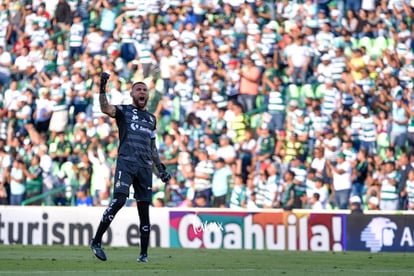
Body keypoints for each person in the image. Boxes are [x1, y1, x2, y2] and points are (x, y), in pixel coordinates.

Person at [90, 72, 171, 262]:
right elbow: (105, 108)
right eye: (138, 89)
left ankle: (143, 255)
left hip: (144, 167)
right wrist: (102, 86)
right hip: (126, 162)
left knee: (144, 211)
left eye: (144, 90)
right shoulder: (124, 111)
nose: (142, 92)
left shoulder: (151, 119)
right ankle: (96, 241)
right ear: (132, 94)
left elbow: (152, 148)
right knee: (119, 201)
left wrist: (161, 170)